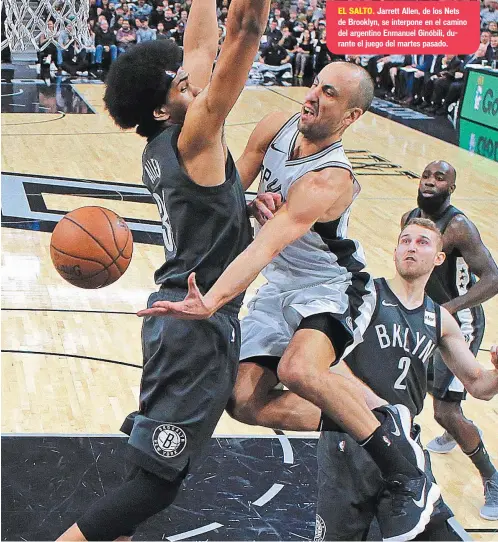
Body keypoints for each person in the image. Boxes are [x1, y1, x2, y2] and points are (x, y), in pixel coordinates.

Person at [139, 62, 441, 541]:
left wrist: (212, 300)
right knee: (242, 401)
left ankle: (404, 469)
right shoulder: (273, 127)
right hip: (280, 285)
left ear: (351, 116)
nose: (313, 96)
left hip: (333, 284)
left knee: (299, 370)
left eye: (330, 94)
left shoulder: (331, 180)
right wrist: (246, 202)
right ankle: (382, 419)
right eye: (316, 84)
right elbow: (226, 192)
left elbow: (265, 245)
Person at [56, 0, 270, 536]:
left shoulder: (161, 140)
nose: (195, 85)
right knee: (158, 484)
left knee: (152, 457)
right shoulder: (195, 133)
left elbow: (198, 49)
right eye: (183, 85)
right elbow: (243, 30)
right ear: (163, 108)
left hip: (174, 318)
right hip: (196, 321)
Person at [316, 219, 498, 541]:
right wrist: (382, 409)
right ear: (396, 249)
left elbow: (479, 385)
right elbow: (326, 362)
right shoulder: (364, 294)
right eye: (405, 240)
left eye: (422, 242)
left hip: (401, 447)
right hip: (348, 441)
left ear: (439, 258)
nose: (411, 247)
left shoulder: (440, 319)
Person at [402, 160, 498, 521]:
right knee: (429, 385)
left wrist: (449, 309)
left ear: (451, 189)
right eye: (426, 175)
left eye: (439, 178)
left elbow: (493, 278)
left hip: (463, 321)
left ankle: (492, 478)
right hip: (433, 315)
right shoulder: (413, 218)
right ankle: (455, 428)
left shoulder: (458, 227)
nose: (429, 181)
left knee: (444, 410)